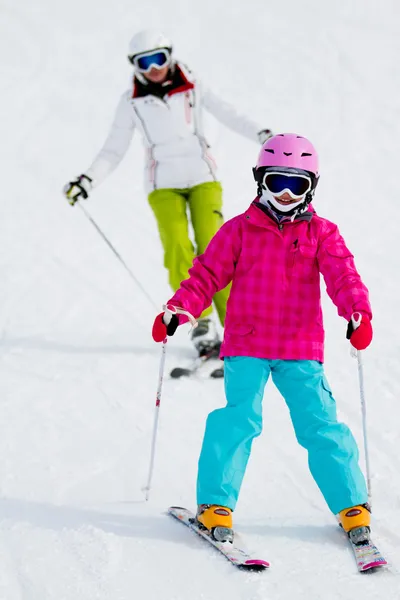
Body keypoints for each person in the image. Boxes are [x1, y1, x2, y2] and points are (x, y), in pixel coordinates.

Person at [151, 133, 374, 544]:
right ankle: (216, 505)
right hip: (247, 344)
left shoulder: (323, 233)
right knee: (238, 420)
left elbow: (344, 277)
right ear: (260, 180)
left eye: (297, 184)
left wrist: (356, 312)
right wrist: (180, 308)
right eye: (276, 182)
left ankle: (351, 504)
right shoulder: (238, 231)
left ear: (312, 187)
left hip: (299, 346)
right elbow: (206, 275)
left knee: (320, 424)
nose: (286, 194)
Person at [63, 29, 273, 355]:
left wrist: (262, 134)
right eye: (143, 63)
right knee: (178, 249)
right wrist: (87, 180)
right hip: (163, 185)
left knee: (215, 249)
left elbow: (227, 112)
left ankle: (237, 325)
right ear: (134, 65)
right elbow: (113, 149)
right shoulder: (131, 102)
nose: (153, 69)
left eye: (158, 59)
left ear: (169, 55)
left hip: (202, 177)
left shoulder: (192, 84)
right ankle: (201, 324)